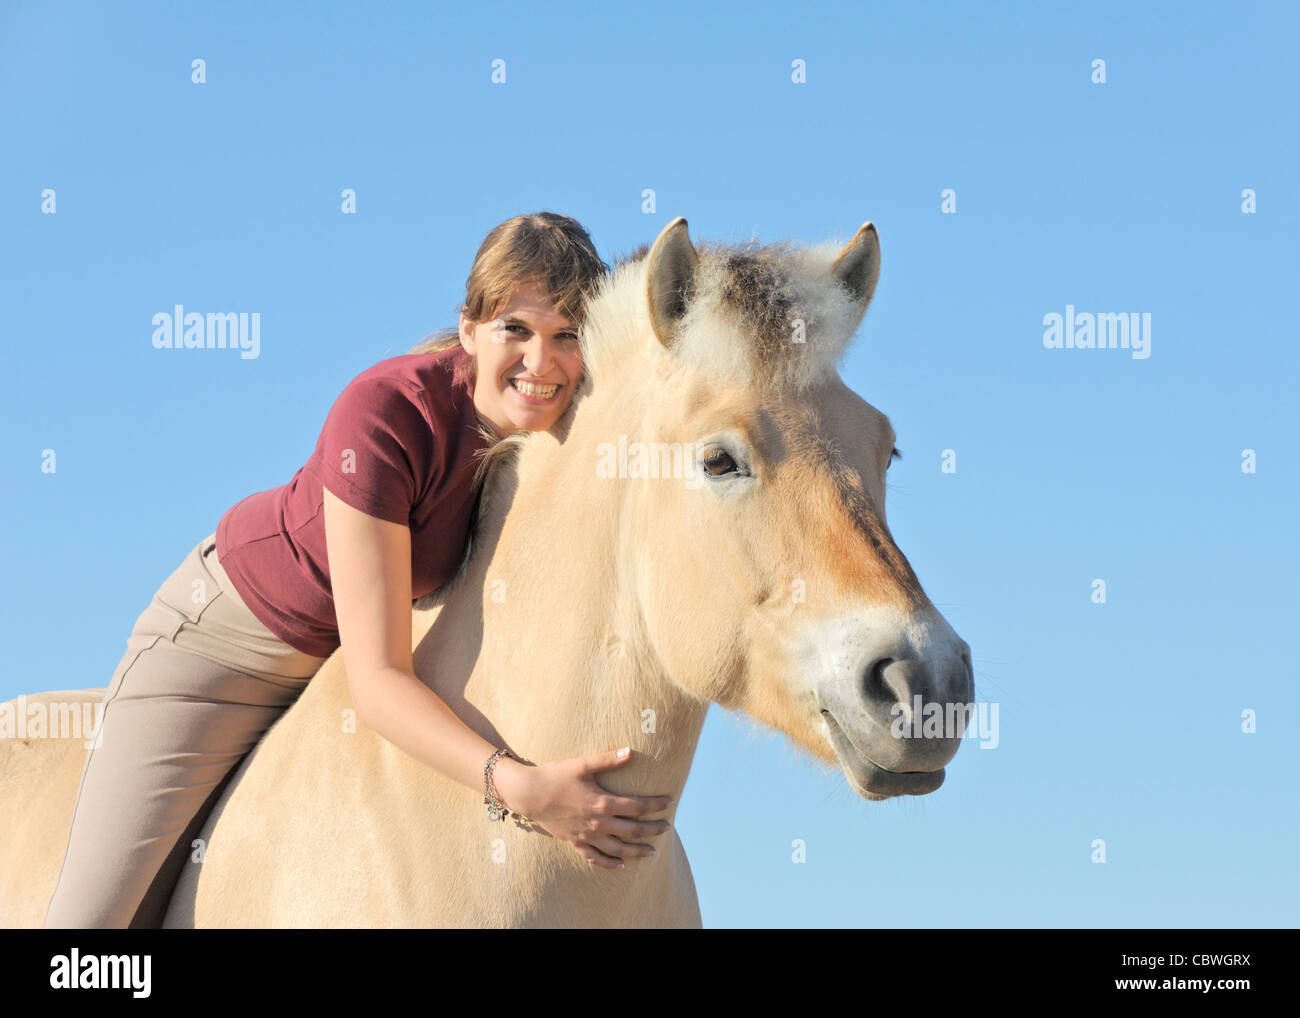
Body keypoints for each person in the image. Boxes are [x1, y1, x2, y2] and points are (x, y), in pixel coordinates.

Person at [43, 212, 673, 929]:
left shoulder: (561, 438)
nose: (543, 361)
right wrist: (518, 789)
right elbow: (380, 683)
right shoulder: (386, 415)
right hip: (226, 651)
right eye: (515, 330)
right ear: (468, 328)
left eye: (567, 336)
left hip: (339, 666)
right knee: (88, 930)